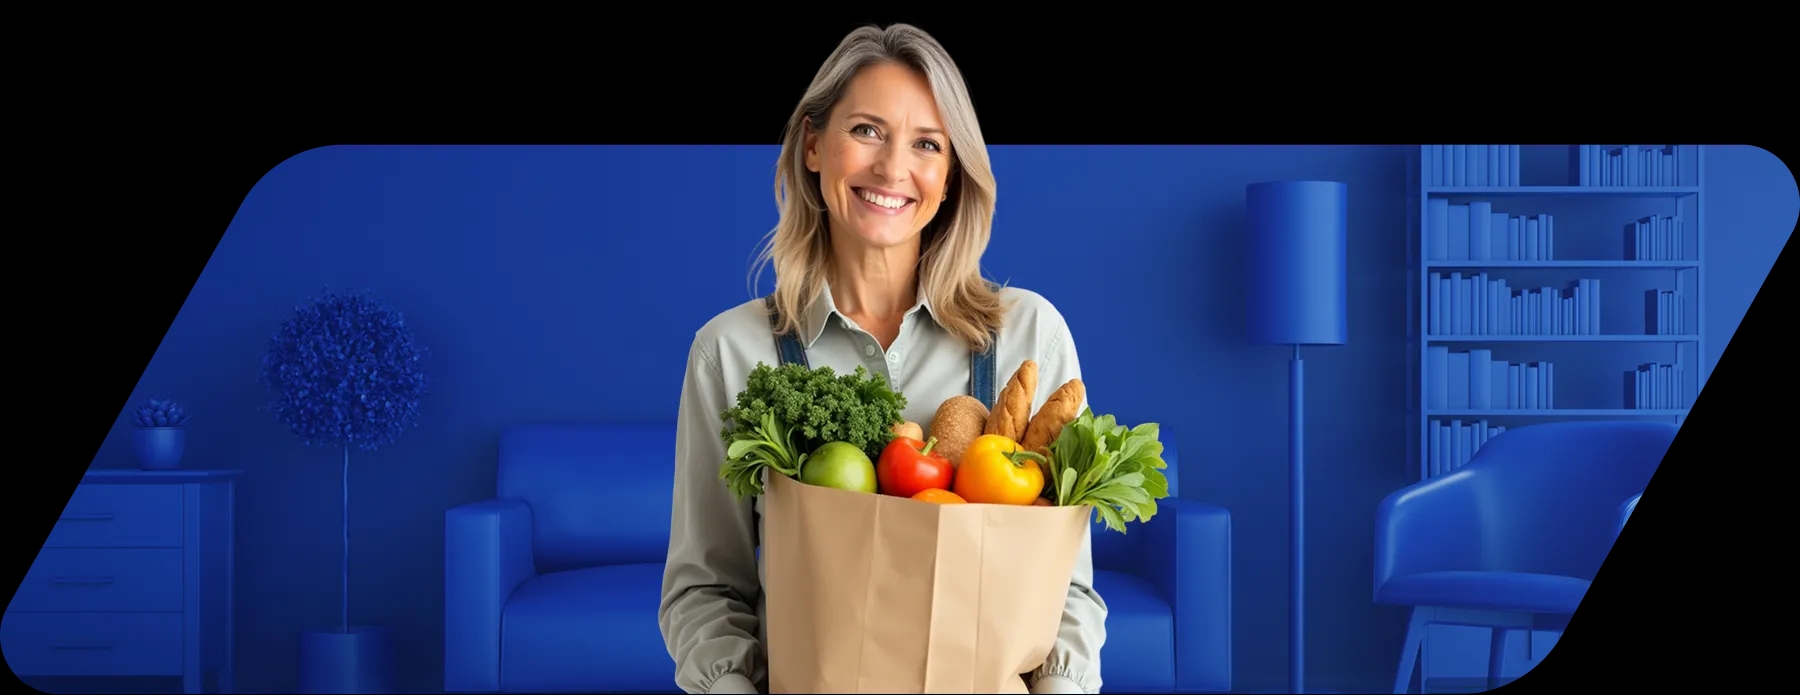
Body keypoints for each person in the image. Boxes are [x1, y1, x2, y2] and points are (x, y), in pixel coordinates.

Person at [658, 23, 1106, 695]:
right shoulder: (732, 352)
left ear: (952, 175)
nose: (893, 169)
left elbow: (1068, 588)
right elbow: (705, 588)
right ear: (813, 144)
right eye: (867, 130)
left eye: (927, 144)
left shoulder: (1027, 337)